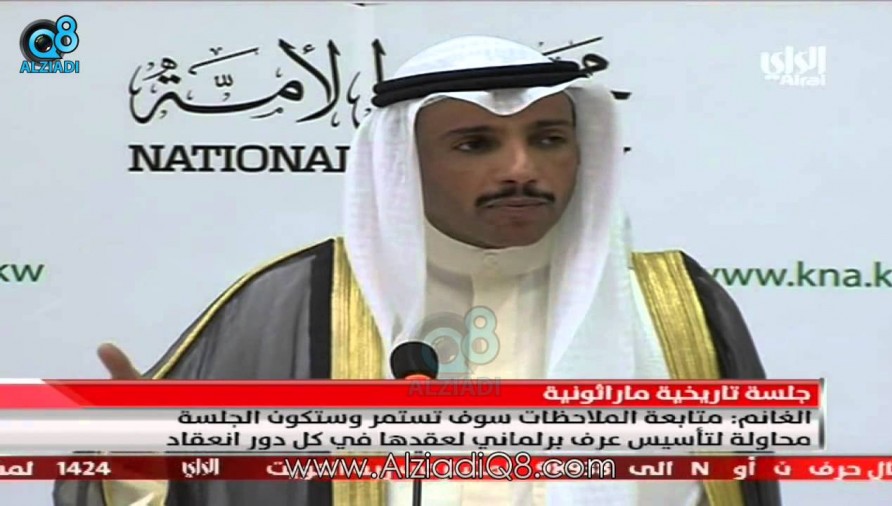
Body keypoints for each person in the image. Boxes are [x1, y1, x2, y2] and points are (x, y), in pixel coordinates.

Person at [54, 36, 780, 506]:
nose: (521, 168)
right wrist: (136, 465)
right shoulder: (294, 303)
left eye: (548, 139)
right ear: (404, 163)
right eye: (475, 144)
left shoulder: (675, 303)